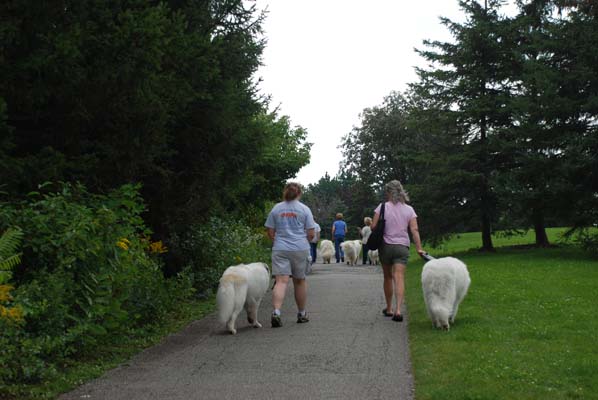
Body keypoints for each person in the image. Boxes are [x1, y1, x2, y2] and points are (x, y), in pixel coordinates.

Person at [371, 180, 424, 322]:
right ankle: (399, 310)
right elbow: (414, 230)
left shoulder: (381, 207)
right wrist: (419, 247)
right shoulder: (409, 210)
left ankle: (389, 308)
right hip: (402, 247)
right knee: (399, 277)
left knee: (388, 277)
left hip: (386, 247)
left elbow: (373, 227)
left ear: (388, 192)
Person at [265, 182, 315, 327]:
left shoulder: (276, 208)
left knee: (281, 281)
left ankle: (276, 312)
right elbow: (311, 233)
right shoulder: (304, 209)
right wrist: (303, 241)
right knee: (299, 281)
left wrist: (278, 241)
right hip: (300, 248)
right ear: (299, 193)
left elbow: (270, 232)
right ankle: (301, 313)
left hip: (281, 248)